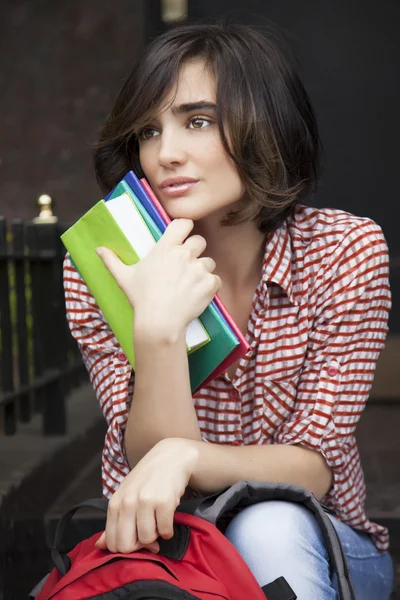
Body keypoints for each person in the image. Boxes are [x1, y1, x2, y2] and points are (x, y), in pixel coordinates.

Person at [63, 20, 394, 599]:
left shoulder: (346, 251)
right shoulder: (106, 264)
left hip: (320, 539)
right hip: (175, 551)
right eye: (148, 131)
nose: (165, 154)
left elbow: (312, 469)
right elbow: (143, 456)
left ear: (264, 124)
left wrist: (185, 455)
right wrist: (159, 328)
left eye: (198, 121)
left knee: (268, 523)